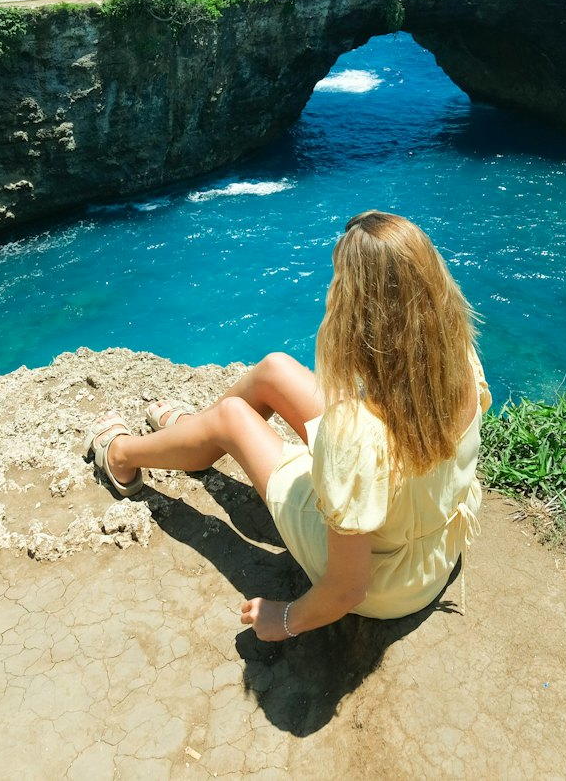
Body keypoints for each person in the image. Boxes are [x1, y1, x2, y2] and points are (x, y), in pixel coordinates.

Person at [85, 210, 491, 640]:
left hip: (387, 581)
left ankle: (120, 455)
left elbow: (347, 589)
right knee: (274, 370)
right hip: (435, 544)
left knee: (232, 417)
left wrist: (282, 619)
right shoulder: (456, 356)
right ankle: (192, 436)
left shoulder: (355, 435)